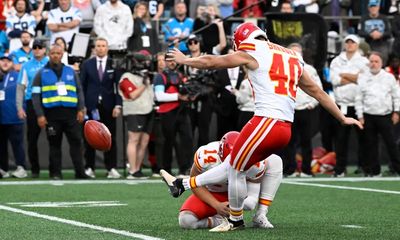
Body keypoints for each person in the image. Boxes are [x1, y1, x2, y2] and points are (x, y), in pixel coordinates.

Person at [160, 22, 362, 231]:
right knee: (236, 164)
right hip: (284, 127)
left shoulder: (253, 50)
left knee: (235, 168)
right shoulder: (292, 55)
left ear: (241, 41)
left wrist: (186, 60)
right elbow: (317, 92)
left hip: (267, 121)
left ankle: (234, 220)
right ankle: (183, 185)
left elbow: (214, 61)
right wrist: (342, 117)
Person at [179, 131, 282, 229]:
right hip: (213, 193)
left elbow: (251, 200)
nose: (232, 165)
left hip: (240, 194)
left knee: (274, 160)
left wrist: (233, 205)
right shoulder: (206, 155)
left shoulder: (255, 162)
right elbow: (195, 183)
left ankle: (260, 214)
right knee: (186, 220)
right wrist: (216, 205)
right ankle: (218, 220)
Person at [31, 44, 87, 179]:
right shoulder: (41, 73)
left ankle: (80, 172)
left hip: (71, 114)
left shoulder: (70, 71)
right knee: (54, 145)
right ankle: (55, 173)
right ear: (48, 55)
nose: (55, 55)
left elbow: (79, 90)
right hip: (52, 114)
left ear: (62, 54)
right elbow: (35, 96)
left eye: (58, 53)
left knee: (76, 143)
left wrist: (81, 108)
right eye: (53, 53)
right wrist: (40, 115)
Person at [80, 37, 122, 179]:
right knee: (90, 137)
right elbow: (82, 86)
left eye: (103, 45)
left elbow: (118, 87)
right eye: (98, 46)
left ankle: (111, 168)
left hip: (109, 107)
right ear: (94, 48)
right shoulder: (87, 64)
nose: (100, 48)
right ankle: (89, 167)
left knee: (110, 138)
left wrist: (118, 105)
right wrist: (83, 106)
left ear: (107, 48)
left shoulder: (114, 64)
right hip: (91, 107)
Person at [329, 34, 369, 177]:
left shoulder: (364, 61)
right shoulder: (336, 60)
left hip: (360, 106)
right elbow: (334, 79)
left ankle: (365, 167)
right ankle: (340, 169)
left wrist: (344, 75)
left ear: (357, 45)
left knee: (364, 138)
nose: (350, 45)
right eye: (348, 42)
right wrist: (354, 77)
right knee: (341, 140)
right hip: (342, 105)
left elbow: (364, 80)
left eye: (353, 42)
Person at [355, 52, 400, 177]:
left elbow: (396, 96)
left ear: (382, 63)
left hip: (385, 115)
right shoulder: (362, 77)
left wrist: (396, 112)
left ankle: (397, 168)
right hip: (368, 115)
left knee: (391, 143)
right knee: (370, 145)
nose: (373, 64)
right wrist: (360, 116)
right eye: (372, 61)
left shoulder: (389, 77)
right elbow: (358, 98)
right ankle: (375, 171)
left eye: (376, 61)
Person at [282, 42, 322, 177]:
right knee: (289, 141)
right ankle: (291, 169)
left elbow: (318, 89)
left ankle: (306, 170)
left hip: (305, 109)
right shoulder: (281, 69)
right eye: (292, 52)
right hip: (289, 110)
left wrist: (312, 104)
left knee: (306, 141)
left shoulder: (310, 70)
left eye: (297, 52)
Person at [153, 54, 193, 177]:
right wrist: (178, 97)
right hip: (167, 113)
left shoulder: (181, 76)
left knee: (186, 140)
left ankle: (185, 169)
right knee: (168, 142)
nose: (171, 63)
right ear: (164, 62)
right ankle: (166, 170)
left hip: (181, 111)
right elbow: (159, 96)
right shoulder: (160, 77)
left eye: (173, 60)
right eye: (169, 60)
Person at [16, 39, 48, 178]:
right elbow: (20, 87)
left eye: (39, 47)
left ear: (44, 49)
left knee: (54, 137)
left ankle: (54, 169)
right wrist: (19, 107)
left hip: (50, 102)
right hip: (32, 103)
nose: (36, 49)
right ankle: (35, 169)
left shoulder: (50, 63)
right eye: (34, 47)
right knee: (32, 138)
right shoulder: (26, 65)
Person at [119, 67, 154, 179]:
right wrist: (144, 85)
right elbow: (132, 94)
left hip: (148, 110)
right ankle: (132, 170)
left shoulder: (147, 76)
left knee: (144, 141)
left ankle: (138, 169)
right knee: (134, 139)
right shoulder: (127, 77)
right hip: (135, 111)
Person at [0, 54, 28, 178]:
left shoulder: (18, 76)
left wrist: (22, 109)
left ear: (13, 63)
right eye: (2, 61)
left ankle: (21, 167)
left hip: (14, 117)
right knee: (1, 146)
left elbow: (24, 94)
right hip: (1, 117)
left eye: (8, 61)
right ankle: (3, 169)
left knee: (18, 144)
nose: (5, 63)